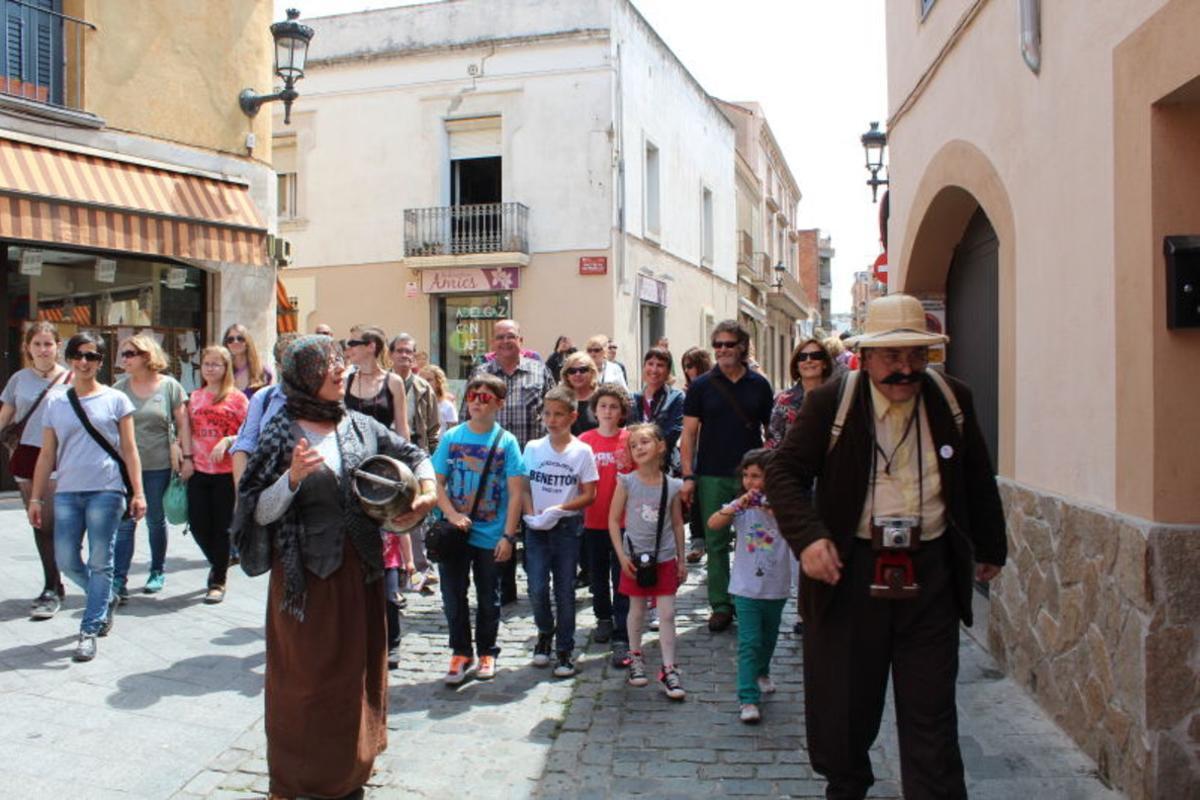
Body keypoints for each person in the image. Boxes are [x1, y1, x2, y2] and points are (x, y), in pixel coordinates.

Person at [765, 293, 1007, 799]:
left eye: (917, 355)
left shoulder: (952, 397)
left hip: (931, 574)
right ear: (867, 356)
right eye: (893, 356)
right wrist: (810, 539)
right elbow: (783, 473)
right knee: (845, 712)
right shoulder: (832, 401)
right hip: (850, 572)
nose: (905, 368)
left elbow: (977, 474)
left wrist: (989, 545)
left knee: (932, 714)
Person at [231, 335, 437, 800]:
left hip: (359, 576)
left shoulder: (359, 426)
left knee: (353, 681)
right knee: (302, 685)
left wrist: (424, 494)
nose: (340, 371)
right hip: (304, 585)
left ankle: (348, 777)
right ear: (305, 375)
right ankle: (292, 780)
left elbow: (416, 454)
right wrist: (291, 479)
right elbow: (255, 511)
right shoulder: (280, 431)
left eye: (341, 363)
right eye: (329, 365)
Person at [28, 332, 147, 662]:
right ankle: (105, 596)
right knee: (66, 559)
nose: (84, 362)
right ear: (69, 358)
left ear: (100, 362)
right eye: (78, 355)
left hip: (107, 490)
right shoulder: (56, 402)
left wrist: (138, 493)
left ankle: (89, 629)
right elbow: (46, 454)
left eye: (91, 357)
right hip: (66, 491)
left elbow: (130, 450)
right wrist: (36, 499)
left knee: (100, 560)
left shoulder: (115, 400)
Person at [679, 321, 774, 632]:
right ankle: (720, 605)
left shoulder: (759, 385)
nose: (722, 350)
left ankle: (751, 598)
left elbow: (770, 433)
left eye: (728, 344)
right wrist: (689, 475)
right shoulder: (702, 386)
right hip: (712, 474)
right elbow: (689, 435)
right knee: (716, 543)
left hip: (751, 477)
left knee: (755, 539)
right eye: (717, 345)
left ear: (742, 347)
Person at [432, 373, 526, 685]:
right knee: (453, 595)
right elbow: (436, 483)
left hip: (491, 534)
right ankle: (460, 651)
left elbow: (516, 493)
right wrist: (450, 514)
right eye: (472, 395)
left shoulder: (507, 442)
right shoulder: (452, 438)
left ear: (499, 403)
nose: (475, 401)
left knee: (490, 596)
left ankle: (488, 650)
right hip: (455, 534)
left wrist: (508, 536)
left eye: (484, 397)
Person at [468, 319, 555, 605]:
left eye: (511, 337)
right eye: (500, 337)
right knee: (499, 526)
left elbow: (555, 412)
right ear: (493, 343)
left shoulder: (539, 371)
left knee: (533, 525)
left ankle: (537, 583)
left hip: (531, 466)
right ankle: (504, 590)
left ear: (521, 340)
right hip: (493, 467)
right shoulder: (480, 374)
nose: (505, 341)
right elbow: (465, 416)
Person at [708, 449, 790, 724]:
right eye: (746, 475)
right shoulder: (741, 507)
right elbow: (714, 522)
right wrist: (736, 506)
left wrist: (774, 508)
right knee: (749, 642)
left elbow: (796, 525)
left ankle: (762, 671)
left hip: (776, 586)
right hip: (745, 588)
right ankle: (747, 698)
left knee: (768, 639)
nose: (750, 481)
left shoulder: (783, 506)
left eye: (756, 476)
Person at [521, 385, 598, 678]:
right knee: (537, 587)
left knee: (564, 590)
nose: (552, 420)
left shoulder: (581, 451)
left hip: (566, 527)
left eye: (558, 415)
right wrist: (530, 514)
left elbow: (589, 493)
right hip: (537, 529)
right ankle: (544, 633)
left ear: (572, 416)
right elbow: (524, 485)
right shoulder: (532, 448)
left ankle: (564, 648)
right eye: (547, 414)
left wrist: (561, 509)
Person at [608, 423, 686, 700]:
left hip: (664, 557)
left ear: (661, 446)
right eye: (633, 445)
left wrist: (681, 559)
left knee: (666, 613)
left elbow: (677, 524)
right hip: (634, 559)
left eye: (644, 442)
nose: (638, 448)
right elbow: (613, 521)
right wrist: (621, 555)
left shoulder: (672, 485)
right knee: (637, 610)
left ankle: (668, 667)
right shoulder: (627, 482)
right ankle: (635, 655)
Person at [0, 322, 71, 619]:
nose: (43, 350)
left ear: (57, 346)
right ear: (28, 348)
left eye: (48, 344)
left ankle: (54, 583)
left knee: (53, 522)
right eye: (37, 344)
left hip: (59, 455)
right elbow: (6, 415)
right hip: (27, 455)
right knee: (39, 521)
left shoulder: (70, 377)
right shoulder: (19, 379)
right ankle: (52, 586)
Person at [112, 334, 190, 599]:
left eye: (129, 354)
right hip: (125, 468)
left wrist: (184, 453)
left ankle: (157, 569)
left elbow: (183, 424)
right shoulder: (119, 388)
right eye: (123, 354)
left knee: (155, 521)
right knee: (125, 524)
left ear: (147, 356)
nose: (124, 359)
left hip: (158, 466)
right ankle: (119, 579)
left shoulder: (169, 386)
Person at [187, 345, 249, 604]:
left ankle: (218, 581)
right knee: (199, 525)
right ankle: (221, 560)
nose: (211, 368)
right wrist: (185, 457)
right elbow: (185, 431)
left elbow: (249, 433)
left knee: (222, 529)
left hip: (226, 472)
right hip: (199, 470)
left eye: (216, 364)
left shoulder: (238, 399)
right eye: (207, 363)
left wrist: (227, 441)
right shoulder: (195, 397)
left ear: (226, 368)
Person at [579, 383, 633, 668]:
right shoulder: (585, 440)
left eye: (614, 407)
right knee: (597, 573)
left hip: (624, 521)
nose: (608, 411)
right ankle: (603, 616)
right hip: (593, 519)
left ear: (622, 411)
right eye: (603, 406)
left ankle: (622, 628)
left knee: (621, 575)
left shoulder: (631, 439)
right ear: (594, 410)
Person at [389, 333, 441, 598]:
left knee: (417, 513)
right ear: (390, 354)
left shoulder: (423, 388)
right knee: (388, 512)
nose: (404, 356)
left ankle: (419, 568)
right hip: (386, 458)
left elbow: (433, 428)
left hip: (415, 455)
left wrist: (429, 459)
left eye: (409, 351)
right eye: (399, 351)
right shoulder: (382, 384)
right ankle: (394, 568)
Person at [231, 333, 301, 489]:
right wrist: (241, 494)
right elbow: (244, 443)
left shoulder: (322, 397)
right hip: (268, 487)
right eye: (289, 362)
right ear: (279, 366)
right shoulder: (263, 398)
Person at [767, 339, 835, 450]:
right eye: (802, 357)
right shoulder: (784, 400)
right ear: (797, 366)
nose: (809, 360)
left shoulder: (837, 398)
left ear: (825, 363)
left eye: (815, 356)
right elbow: (774, 441)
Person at [344, 326, 409, 440]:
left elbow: (402, 428)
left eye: (353, 343)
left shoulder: (394, 382)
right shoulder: (345, 381)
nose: (348, 348)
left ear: (371, 347)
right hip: (353, 454)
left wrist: (408, 456)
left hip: (382, 454)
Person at [678, 347, 712, 565]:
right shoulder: (688, 391)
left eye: (691, 365)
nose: (688, 371)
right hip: (694, 447)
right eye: (685, 367)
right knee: (695, 496)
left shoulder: (711, 386)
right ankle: (699, 541)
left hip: (710, 447)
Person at [629, 347, 684, 473]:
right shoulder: (633, 399)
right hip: (636, 467)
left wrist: (643, 446)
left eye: (660, 365)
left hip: (664, 466)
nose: (654, 370)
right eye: (650, 364)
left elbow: (672, 433)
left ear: (668, 371)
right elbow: (628, 433)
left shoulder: (676, 398)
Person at [222, 323, 272, 397]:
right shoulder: (222, 371)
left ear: (248, 342)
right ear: (227, 344)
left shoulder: (263, 372)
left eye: (240, 339)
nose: (235, 342)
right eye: (230, 339)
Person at [559, 351, 599, 435]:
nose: (577, 374)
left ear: (592, 372)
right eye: (572, 371)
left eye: (583, 370)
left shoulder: (602, 398)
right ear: (567, 376)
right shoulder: (560, 399)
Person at [420, 364, 457, 435]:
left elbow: (453, 433)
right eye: (422, 380)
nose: (425, 383)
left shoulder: (447, 406)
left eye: (429, 380)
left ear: (438, 382)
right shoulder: (416, 404)